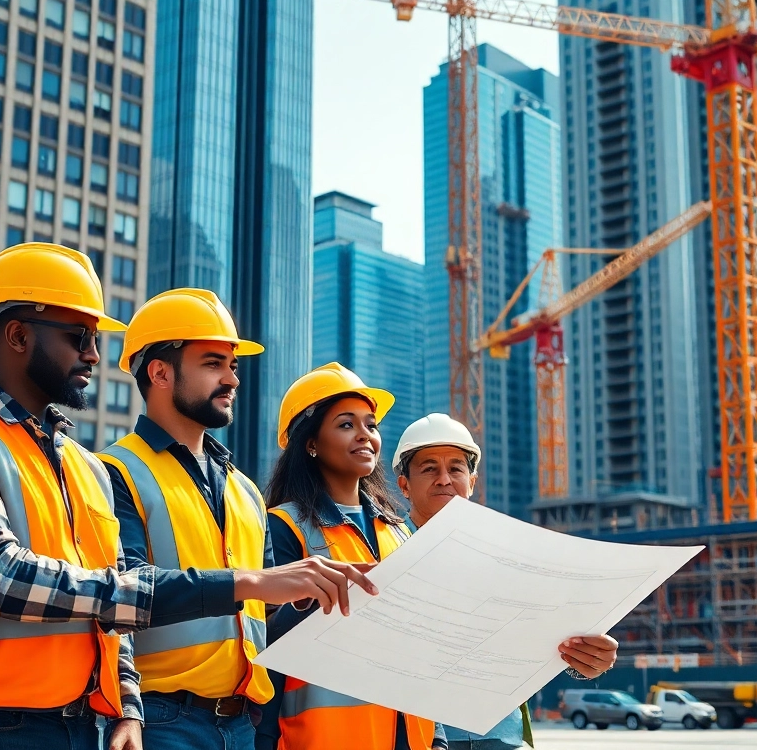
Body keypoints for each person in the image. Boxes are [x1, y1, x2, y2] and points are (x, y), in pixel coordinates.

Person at [0, 252, 366, 750]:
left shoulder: (82, 464)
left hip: (107, 722)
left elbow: (111, 603)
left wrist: (125, 708)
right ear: (17, 336)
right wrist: (246, 583)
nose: (94, 356)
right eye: (80, 337)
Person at [98, 290, 376, 750]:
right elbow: (120, 594)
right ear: (160, 372)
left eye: (233, 366)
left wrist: (315, 594)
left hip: (241, 724)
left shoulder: (243, 489)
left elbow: (260, 614)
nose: (232, 379)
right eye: (213, 364)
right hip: (159, 720)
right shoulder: (112, 471)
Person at [392, 414, 621, 750]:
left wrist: (584, 661)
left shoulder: (509, 557)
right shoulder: (384, 551)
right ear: (404, 485)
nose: (444, 479)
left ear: (471, 481)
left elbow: (539, 639)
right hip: (421, 738)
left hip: (501, 734)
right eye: (429, 468)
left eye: (455, 468)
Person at [258, 363, 448, 750]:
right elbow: (262, 648)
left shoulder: (398, 530)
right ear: (310, 442)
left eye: (371, 425)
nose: (365, 435)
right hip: (322, 740)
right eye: (346, 425)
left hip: (409, 738)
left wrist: (437, 737)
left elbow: (422, 647)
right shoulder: (282, 527)